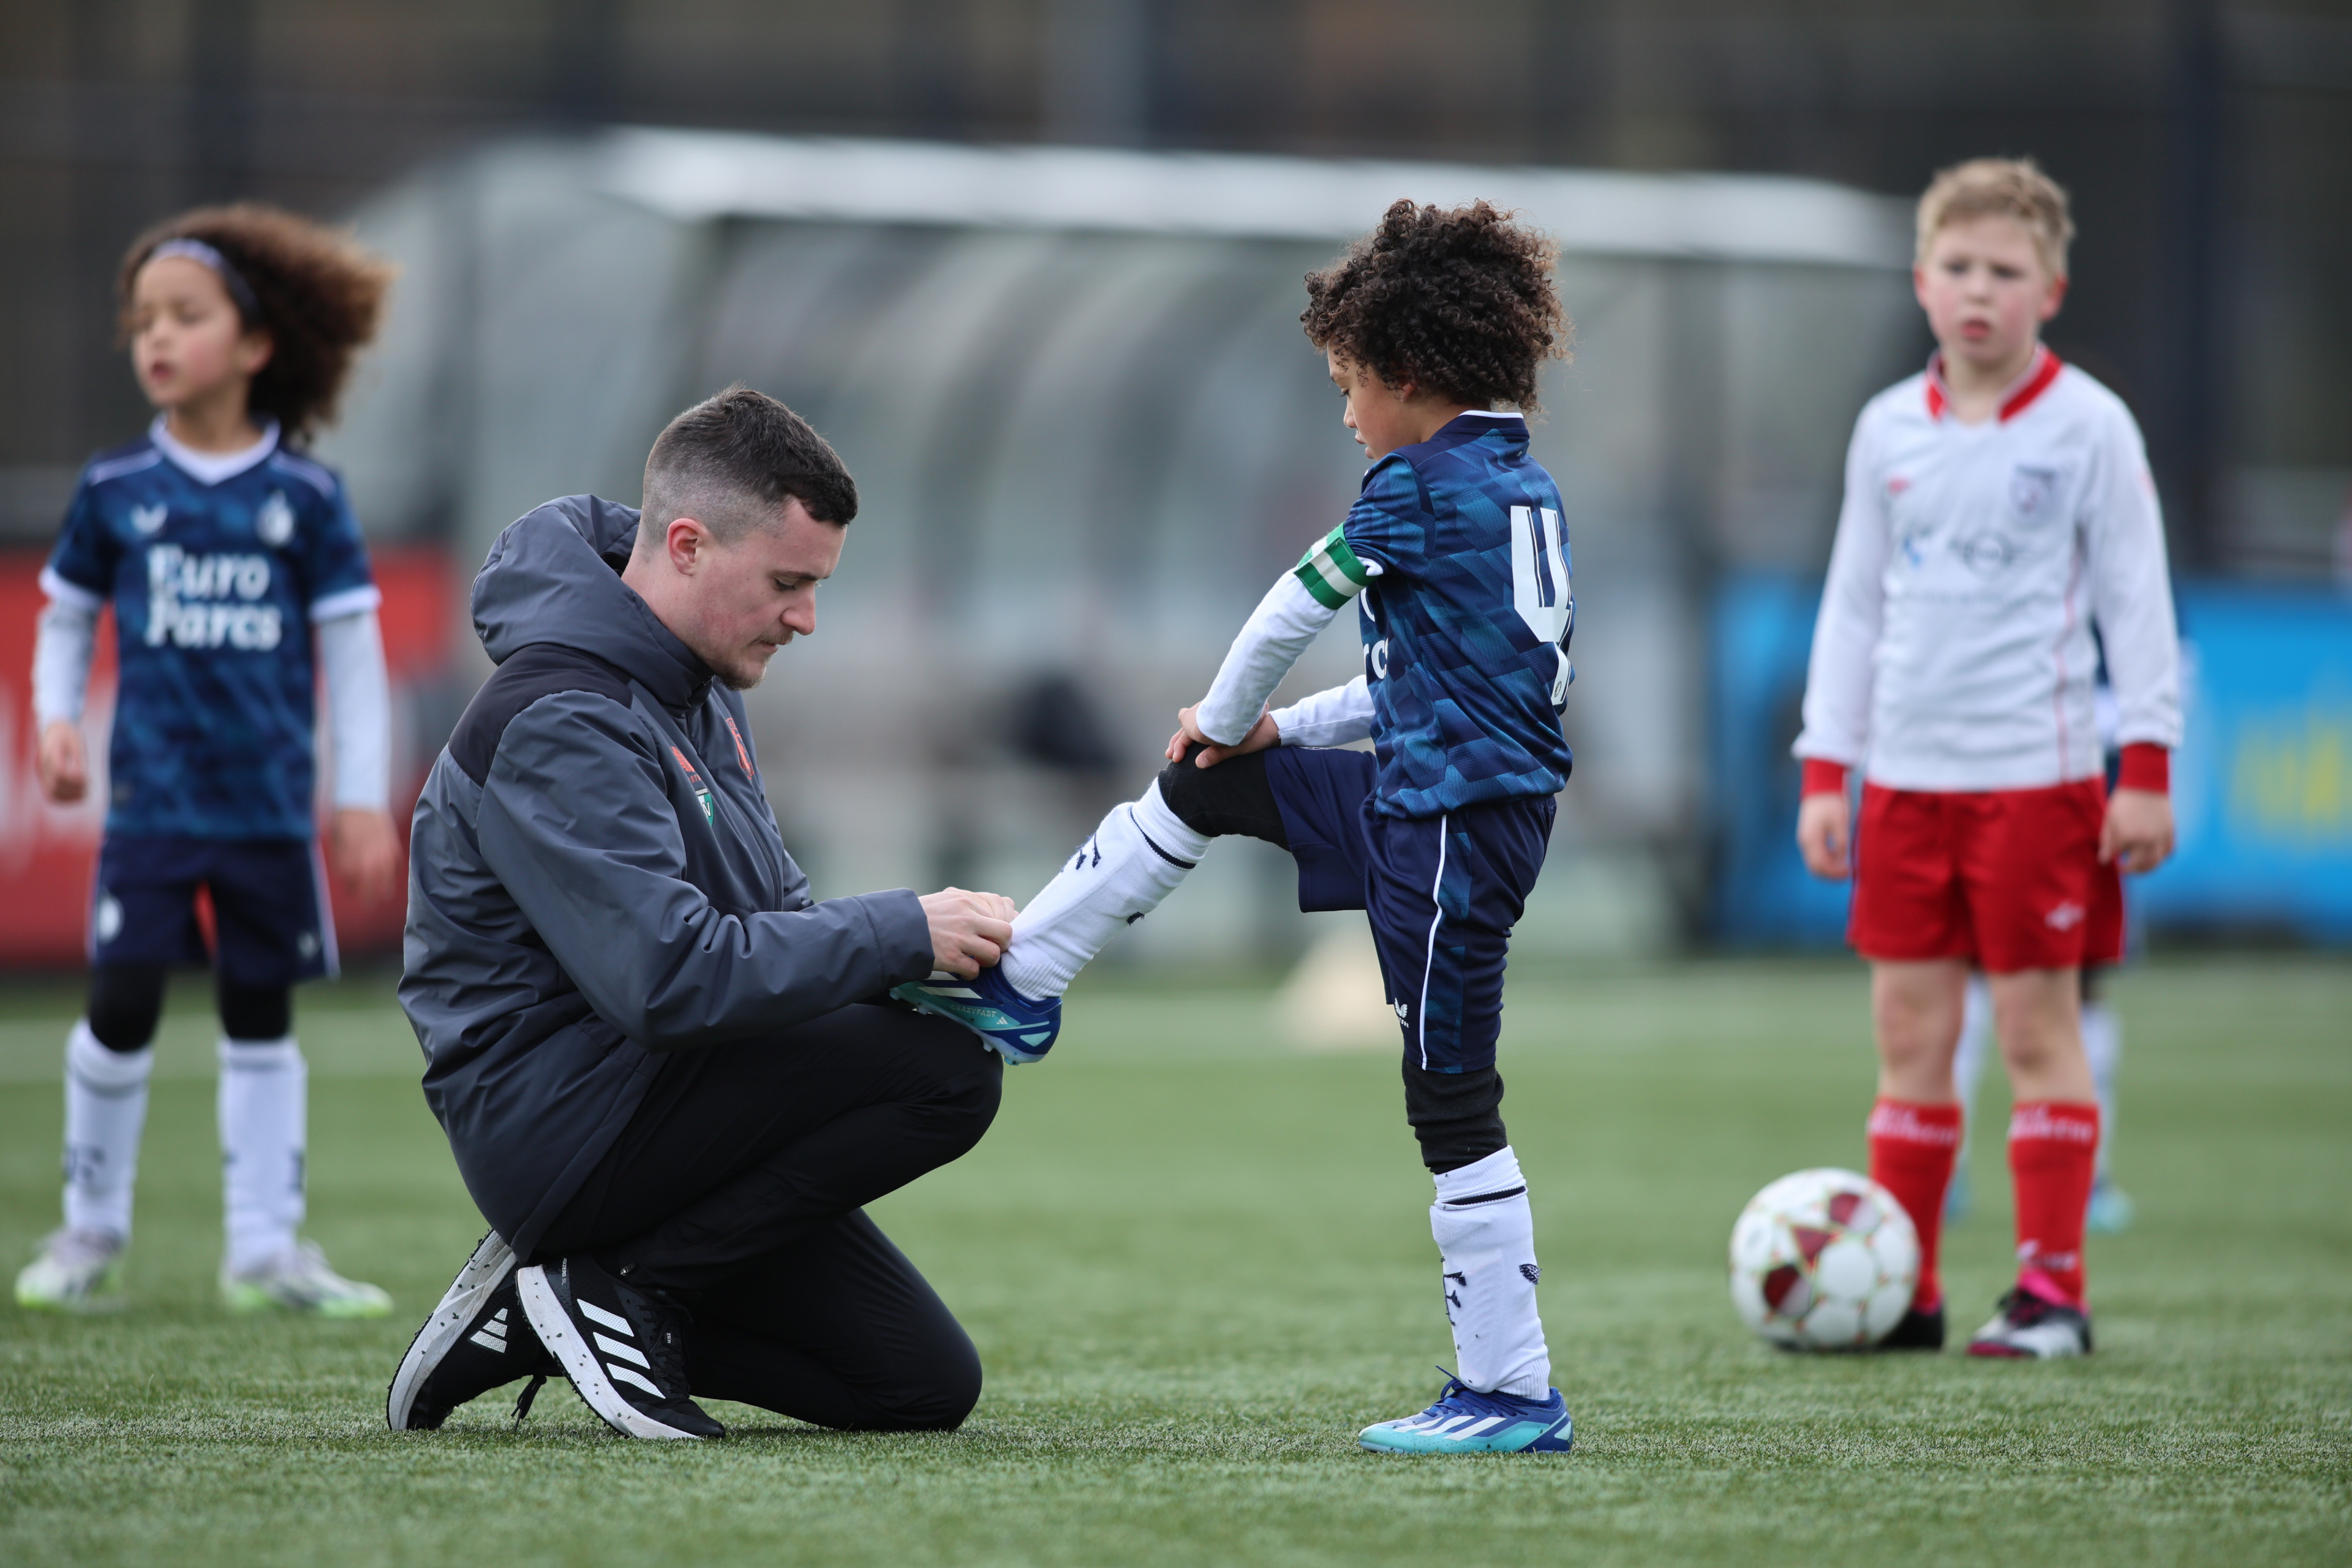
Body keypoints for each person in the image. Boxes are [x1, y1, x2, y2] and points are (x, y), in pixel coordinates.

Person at [897, 200, 1581, 1455]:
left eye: (1348, 382)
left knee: (1451, 1101)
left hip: (1451, 829)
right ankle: (1028, 979)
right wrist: (1267, 738)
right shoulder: (1515, 485)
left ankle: (1512, 1391)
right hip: (1433, 798)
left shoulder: (1417, 487)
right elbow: (1420, 688)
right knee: (1205, 784)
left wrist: (1224, 704)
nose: (1344, 412)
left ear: (1408, 375)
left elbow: (1288, 606)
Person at [387, 386, 1018, 1442]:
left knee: (917, 1387)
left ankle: (551, 1308)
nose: (806, 617)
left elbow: (774, 916)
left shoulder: (699, 686)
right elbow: (666, 979)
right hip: (563, 1127)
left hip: (662, 1105)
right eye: (787, 583)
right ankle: (618, 1281)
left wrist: (929, 964)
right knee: (945, 1073)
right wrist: (901, 929)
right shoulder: (558, 714)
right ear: (685, 545)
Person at [1792, 159, 2181, 1359]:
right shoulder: (1887, 429)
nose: (1979, 290)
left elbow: (2136, 596)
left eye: (2005, 272)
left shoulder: (2090, 426)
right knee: (1910, 1034)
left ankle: (2051, 1293)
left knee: (2032, 1032)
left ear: (2049, 290)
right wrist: (1826, 768)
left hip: (2040, 779)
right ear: (1922, 281)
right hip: (1906, 784)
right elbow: (1854, 604)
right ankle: (1904, 1290)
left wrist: (2148, 762)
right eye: (1958, 267)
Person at [16, 205, 401, 1317]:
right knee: (123, 999)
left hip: (271, 816)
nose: (158, 338)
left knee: (259, 1010)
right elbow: (64, 618)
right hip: (151, 808)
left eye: (185, 316)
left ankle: (265, 1250)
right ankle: (89, 1231)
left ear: (256, 344)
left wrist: (358, 798)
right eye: (144, 320)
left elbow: (355, 658)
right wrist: (55, 719)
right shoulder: (116, 491)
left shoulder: (309, 500)